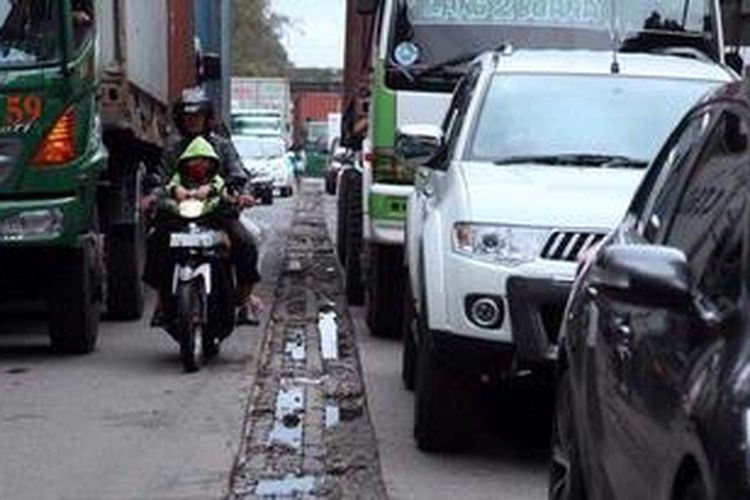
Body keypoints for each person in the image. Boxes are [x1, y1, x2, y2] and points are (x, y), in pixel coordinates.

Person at [143, 88, 262, 326]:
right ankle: (161, 302)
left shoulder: (223, 146)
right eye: (188, 117)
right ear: (180, 119)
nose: (193, 121)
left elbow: (239, 174)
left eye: (198, 116)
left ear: (208, 118)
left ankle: (244, 301)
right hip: (179, 214)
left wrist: (242, 194)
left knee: (246, 243)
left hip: (217, 213)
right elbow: (161, 179)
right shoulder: (173, 147)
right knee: (156, 240)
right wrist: (153, 197)